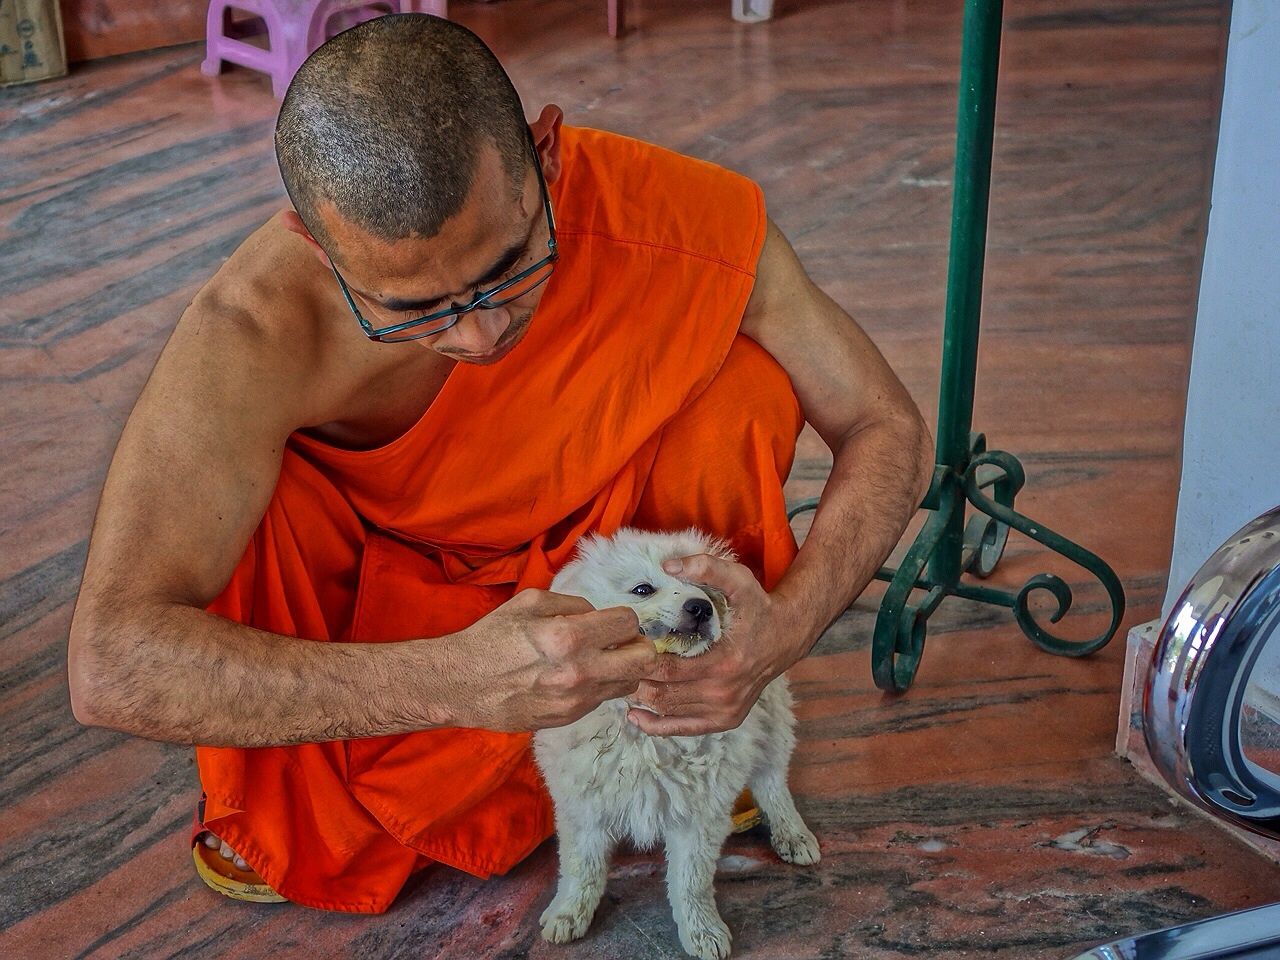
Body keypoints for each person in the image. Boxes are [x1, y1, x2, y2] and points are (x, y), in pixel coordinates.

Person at [67, 14, 932, 912]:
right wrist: (456, 680)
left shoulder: (671, 219)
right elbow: (112, 661)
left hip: (615, 570)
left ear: (547, 155)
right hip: (396, 606)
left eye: (509, 266)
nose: (480, 335)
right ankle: (331, 814)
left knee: (741, 392)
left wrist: (780, 635)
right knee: (251, 503)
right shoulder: (255, 330)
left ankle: (696, 714)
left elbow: (886, 424)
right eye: (412, 308)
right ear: (318, 246)